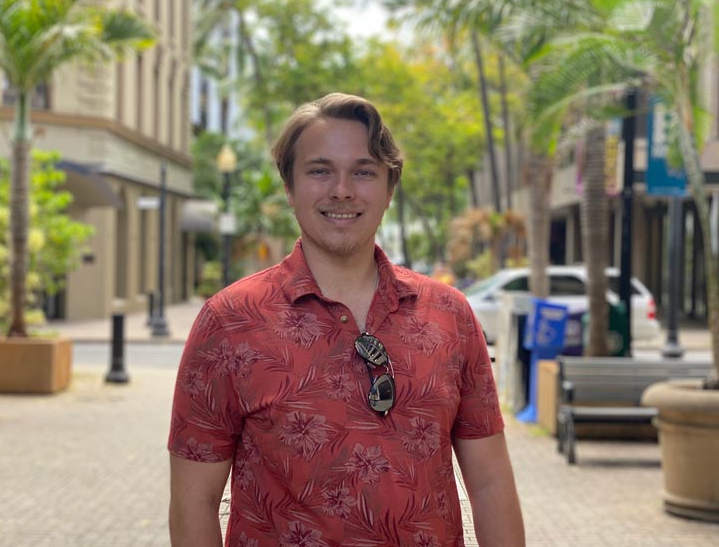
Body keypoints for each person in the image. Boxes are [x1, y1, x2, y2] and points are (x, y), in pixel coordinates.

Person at [168, 93, 525, 547]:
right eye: (320, 170)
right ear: (289, 188)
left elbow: (491, 482)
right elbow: (192, 503)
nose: (342, 190)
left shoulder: (450, 316)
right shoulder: (229, 321)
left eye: (363, 171)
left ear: (389, 189)